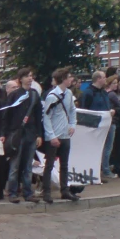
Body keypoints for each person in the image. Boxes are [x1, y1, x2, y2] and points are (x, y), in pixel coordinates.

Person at [0, 68, 42, 203]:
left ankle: (28, 193)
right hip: (16, 134)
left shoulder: (35, 94)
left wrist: (39, 135)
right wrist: (3, 134)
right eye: (27, 76)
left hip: (30, 134)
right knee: (15, 165)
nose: (30, 78)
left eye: (31, 76)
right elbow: (6, 116)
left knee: (28, 166)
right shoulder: (14, 95)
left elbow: (38, 116)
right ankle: (12, 192)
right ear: (21, 79)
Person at [41, 67, 79, 203]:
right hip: (54, 136)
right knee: (49, 164)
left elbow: (72, 110)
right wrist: (51, 136)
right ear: (63, 79)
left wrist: (72, 125)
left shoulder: (69, 94)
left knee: (64, 165)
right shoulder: (52, 96)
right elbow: (46, 117)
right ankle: (46, 192)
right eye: (69, 77)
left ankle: (65, 191)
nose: (72, 79)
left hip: (65, 135)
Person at [81, 71, 116, 179]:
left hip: (107, 122)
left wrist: (110, 111)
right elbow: (84, 110)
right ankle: (93, 171)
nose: (106, 80)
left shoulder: (104, 92)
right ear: (98, 79)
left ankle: (104, 169)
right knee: (96, 148)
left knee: (107, 148)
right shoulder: (88, 93)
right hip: (95, 125)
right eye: (104, 77)